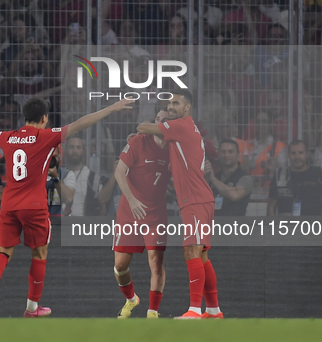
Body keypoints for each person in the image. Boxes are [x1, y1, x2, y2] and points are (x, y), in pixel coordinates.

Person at [0, 97, 134, 318]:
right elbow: (81, 123)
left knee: (4, 252)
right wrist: (111, 108)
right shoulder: (46, 136)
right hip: (34, 205)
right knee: (40, 253)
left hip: (9, 205)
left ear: (24, 117)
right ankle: (32, 308)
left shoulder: (8, 137)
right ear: (44, 118)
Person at [137, 89, 222, 319]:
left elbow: (143, 128)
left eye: (176, 103)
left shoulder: (180, 126)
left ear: (187, 108)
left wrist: (155, 122)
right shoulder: (184, 129)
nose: (172, 106)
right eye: (169, 102)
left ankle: (194, 310)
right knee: (201, 254)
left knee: (191, 250)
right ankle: (213, 311)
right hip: (199, 199)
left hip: (195, 200)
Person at [112, 109, 171, 319]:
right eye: (157, 119)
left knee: (156, 262)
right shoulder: (138, 141)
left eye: (165, 121)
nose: (159, 124)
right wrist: (132, 199)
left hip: (156, 215)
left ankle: (152, 313)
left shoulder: (175, 149)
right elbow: (119, 172)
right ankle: (131, 300)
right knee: (120, 266)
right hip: (130, 211)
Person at [267, 140, 322, 216]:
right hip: (287, 227)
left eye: (300, 153)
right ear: (288, 155)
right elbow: (271, 206)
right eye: (293, 153)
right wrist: (273, 227)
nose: (297, 156)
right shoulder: (280, 175)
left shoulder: (319, 173)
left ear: (307, 154)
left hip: (316, 226)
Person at [61, 136, 109, 216]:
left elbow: (102, 205)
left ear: (83, 151)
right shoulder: (59, 175)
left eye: (78, 147)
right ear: (65, 150)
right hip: (60, 224)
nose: (75, 151)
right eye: (71, 147)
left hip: (83, 225)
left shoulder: (93, 179)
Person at [204, 139, 254, 217]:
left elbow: (235, 195)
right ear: (218, 154)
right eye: (223, 152)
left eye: (230, 152)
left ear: (238, 154)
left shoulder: (245, 178)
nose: (226, 155)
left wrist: (212, 178)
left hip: (235, 226)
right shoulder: (214, 177)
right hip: (213, 225)